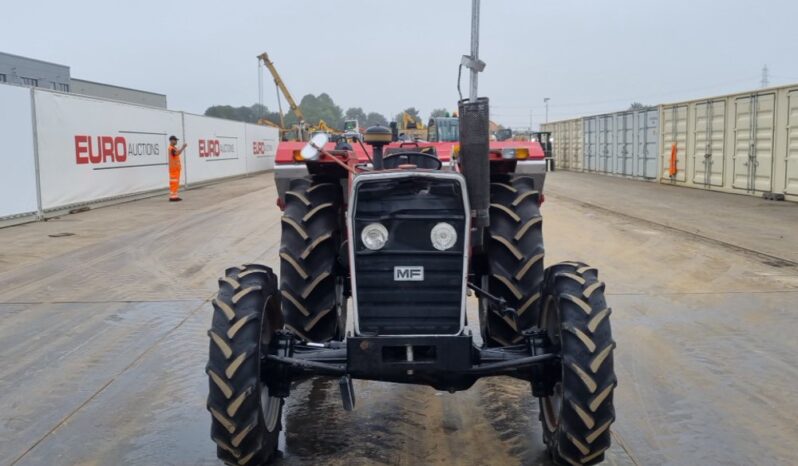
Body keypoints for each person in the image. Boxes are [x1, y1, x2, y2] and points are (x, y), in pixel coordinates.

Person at [168, 135, 187, 201]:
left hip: (176, 169)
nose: (176, 141)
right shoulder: (171, 148)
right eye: (175, 140)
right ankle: (173, 197)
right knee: (174, 183)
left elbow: (177, 153)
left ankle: (175, 196)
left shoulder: (174, 148)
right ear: (171, 140)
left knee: (176, 183)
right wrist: (183, 147)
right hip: (173, 169)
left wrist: (181, 149)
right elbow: (176, 154)